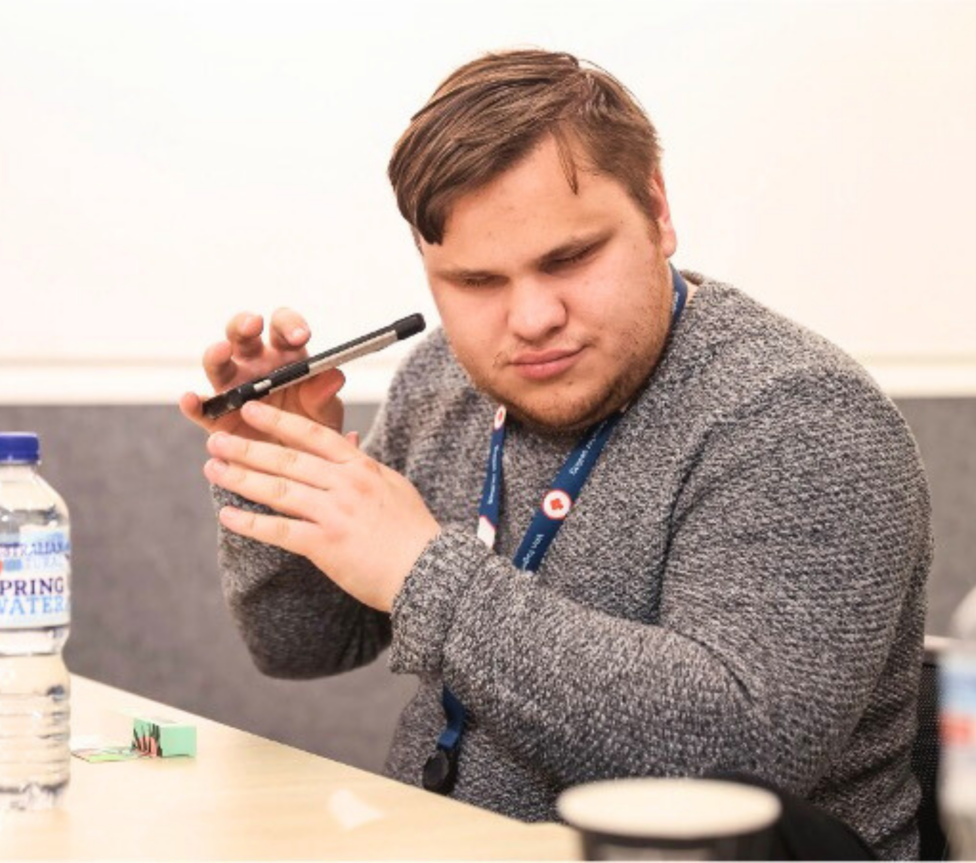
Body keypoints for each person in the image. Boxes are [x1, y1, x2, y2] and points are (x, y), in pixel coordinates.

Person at [179, 49, 931, 859]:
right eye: (477, 281)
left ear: (656, 208)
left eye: (568, 259)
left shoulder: (799, 415)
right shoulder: (443, 380)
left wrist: (420, 570)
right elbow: (302, 644)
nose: (532, 318)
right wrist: (285, 473)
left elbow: (737, 758)